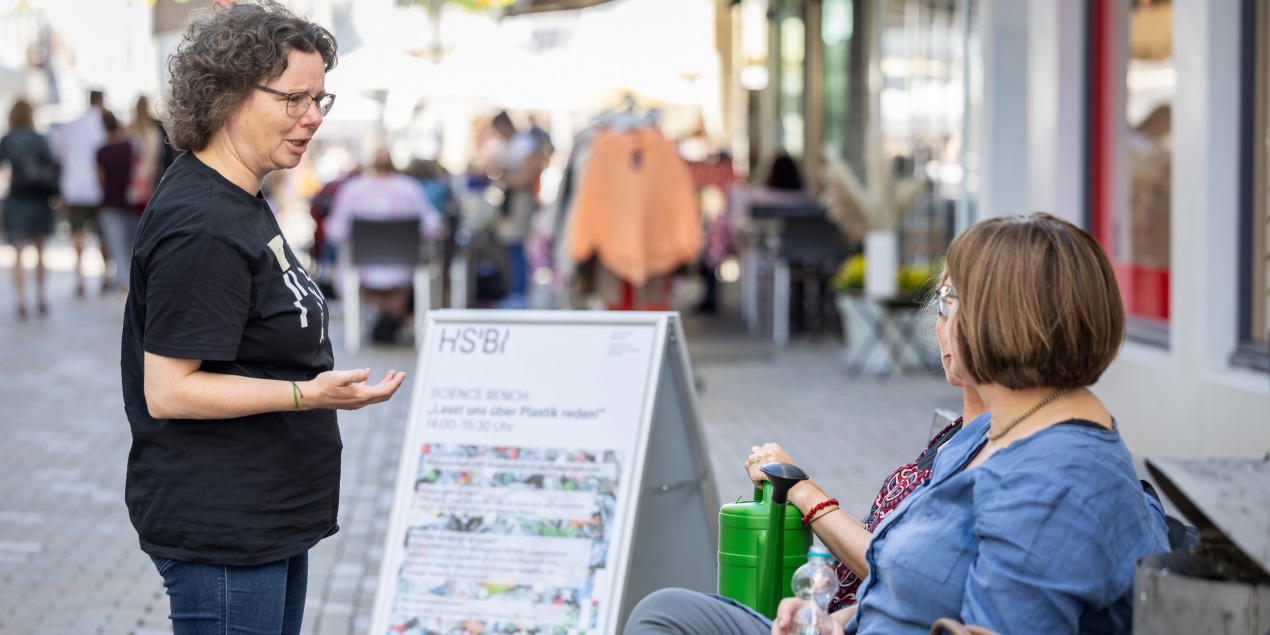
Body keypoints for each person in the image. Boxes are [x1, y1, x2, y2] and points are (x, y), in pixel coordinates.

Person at [624, 212, 1170, 635]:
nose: (940, 315)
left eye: (949, 298)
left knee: (665, 619)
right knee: (667, 611)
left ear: (1002, 322)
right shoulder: (998, 428)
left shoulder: (1052, 484)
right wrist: (839, 619)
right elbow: (909, 579)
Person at [119, 3, 405, 634]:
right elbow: (168, 389)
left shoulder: (238, 194)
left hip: (261, 517)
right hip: (226, 525)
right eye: (294, 98)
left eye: (321, 100)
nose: (312, 118)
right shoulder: (205, 224)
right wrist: (307, 394)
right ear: (227, 96)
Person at [324, 148, 441, 342]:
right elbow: (432, 229)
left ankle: (385, 312)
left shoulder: (352, 189)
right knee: (416, 269)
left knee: (351, 265)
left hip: (363, 268)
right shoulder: (410, 188)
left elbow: (335, 232)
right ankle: (394, 313)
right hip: (405, 268)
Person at [0, 99, 58, 319]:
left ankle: (22, 300)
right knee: (41, 251)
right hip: (38, 200)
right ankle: (41, 297)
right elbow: (51, 164)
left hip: (17, 200)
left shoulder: (6, 140)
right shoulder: (39, 138)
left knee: (18, 253)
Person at [490, 110, 549, 308]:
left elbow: (528, 175)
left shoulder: (525, 144)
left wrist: (505, 180)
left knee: (518, 247)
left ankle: (520, 293)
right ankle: (516, 291)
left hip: (521, 201)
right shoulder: (507, 145)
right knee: (509, 246)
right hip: (510, 201)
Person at [51, 88, 106, 296]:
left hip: (74, 188)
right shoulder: (103, 124)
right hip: (99, 189)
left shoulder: (70, 126)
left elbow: (59, 155)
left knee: (77, 235)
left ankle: (80, 278)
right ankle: (104, 275)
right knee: (103, 235)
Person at [95, 110, 136, 296]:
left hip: (109, 203)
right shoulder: (129, 146)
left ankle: (124, 284)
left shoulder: (101, 151)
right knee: (132, 245)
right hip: (131, 202)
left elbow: (100, 180)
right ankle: (134, 282)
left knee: (117, 246)